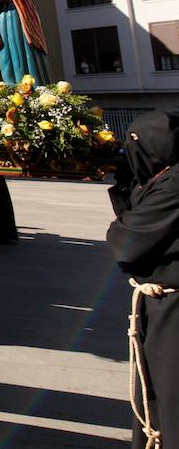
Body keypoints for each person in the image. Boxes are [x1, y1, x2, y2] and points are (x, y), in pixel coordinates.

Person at [106, 110, 179, 449]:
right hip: (160, 307)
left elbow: (127, 244)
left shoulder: (174, 186)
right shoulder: (164, 180)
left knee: (170, 400)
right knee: (157, 399)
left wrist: (119, 227)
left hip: (174, 314)